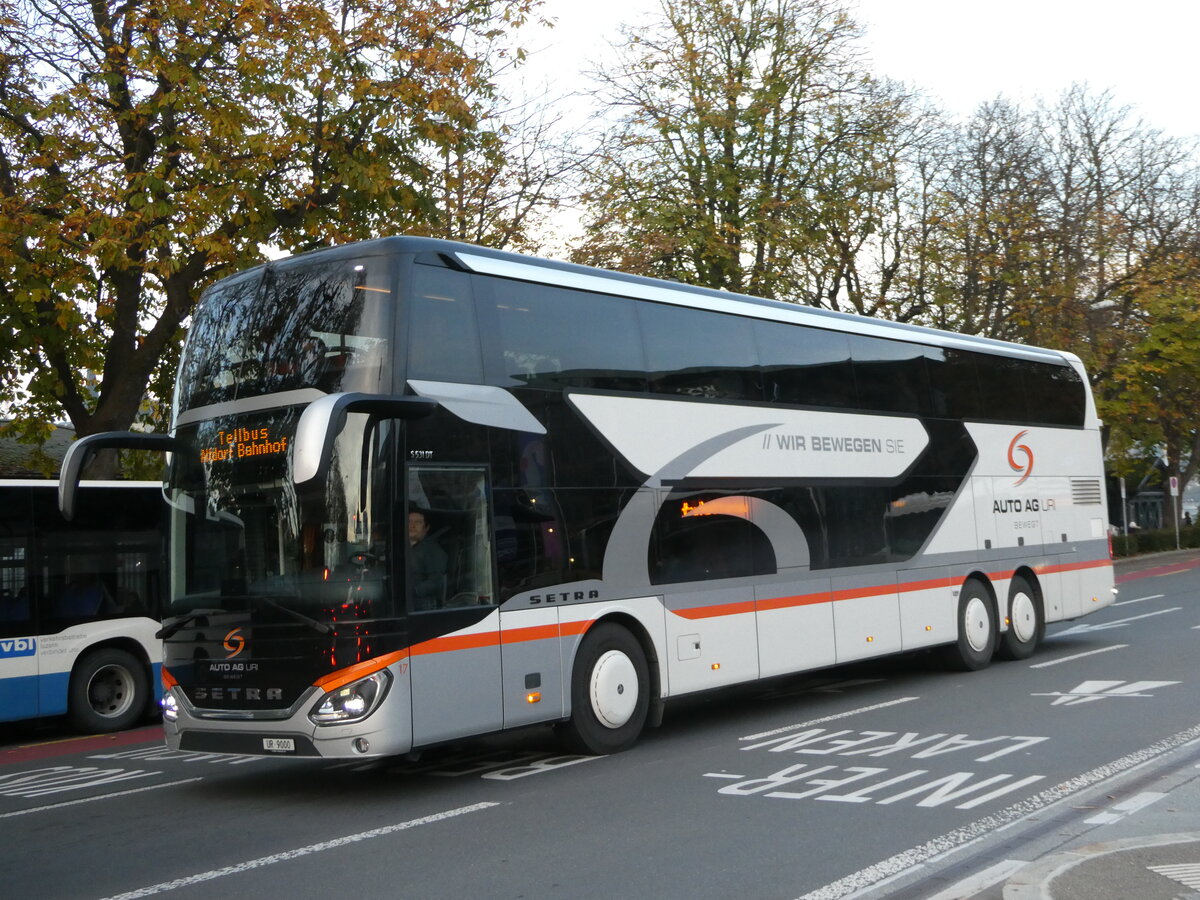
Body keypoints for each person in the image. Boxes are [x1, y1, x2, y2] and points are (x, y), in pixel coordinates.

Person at [408, 507, 447, 610]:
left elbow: (436, 581)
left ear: (426, 528)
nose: (412, 526)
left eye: (418, 522)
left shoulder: (433, 550)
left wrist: (413, 590)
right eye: (409, 522)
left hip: (423, 605)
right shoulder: (400, 547)